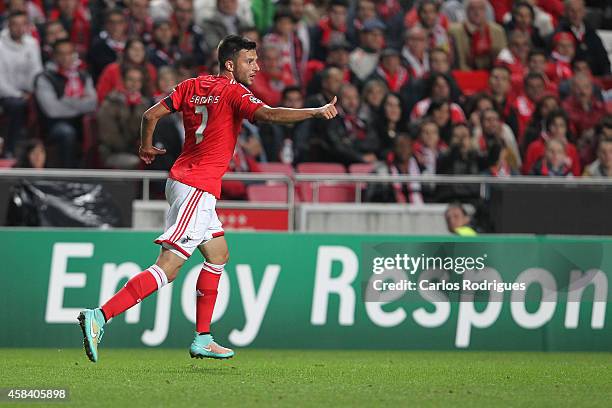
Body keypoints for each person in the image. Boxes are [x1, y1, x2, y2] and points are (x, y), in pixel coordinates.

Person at [77, 35, 338, 363]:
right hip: (197, 188)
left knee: (218, 254)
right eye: (250, 61)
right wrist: (314, 112)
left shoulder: (191, 85)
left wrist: (145, 146)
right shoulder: (235, 92)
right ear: (231, 64)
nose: (256, 67)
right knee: (168, 268)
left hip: (181, 180)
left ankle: (203, 337)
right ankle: (101, 315)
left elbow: (149, 116)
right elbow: (269, 115)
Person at [34, 39, 97, 168]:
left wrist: (65, 100)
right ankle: (67, 176)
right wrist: (80, 102)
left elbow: (93, 103)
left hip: (81, 123)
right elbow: (53, 110)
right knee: (66, 132)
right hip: (53, 125)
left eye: (69, 53)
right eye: (61, 54)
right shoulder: (45, 78)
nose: (66, 57)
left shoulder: (83, 75)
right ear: (54, 56)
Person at [0, 11, 43, 159]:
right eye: (15, 24)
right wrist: (19, 95)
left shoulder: (32, 43)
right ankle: (9, 150)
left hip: (28, 91)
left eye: (23, 24)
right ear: (8, 26)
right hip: (5, 93)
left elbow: (37, 71)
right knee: (16, 105)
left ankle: (37, 151)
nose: (19, 28)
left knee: (46, 102)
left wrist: (32, 92)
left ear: (28, 26)